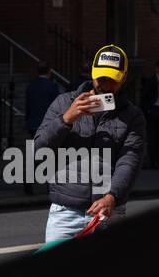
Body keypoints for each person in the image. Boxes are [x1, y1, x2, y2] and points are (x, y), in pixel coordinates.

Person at [33, 44, 146, 243]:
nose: (105, 84)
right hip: (65, 213)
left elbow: (129, 161)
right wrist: (66, 119)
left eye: (113, 80)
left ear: (124, 78)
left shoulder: (133, 116)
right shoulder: (63, 103)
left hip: (108, 211)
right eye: (101, 77)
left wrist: (112, 196)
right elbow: (39, 148)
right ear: (92, 73)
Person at [24, 63, 61, 195]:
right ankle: (49, 185)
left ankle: (28, 183)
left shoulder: (31, 86)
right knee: (50, 156)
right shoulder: (52, 86)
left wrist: (28, 121)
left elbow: (28, 106)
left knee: (34, 155)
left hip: (34, 124)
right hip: (49, 125)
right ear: (49, 71)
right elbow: (57, 108)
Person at [138, 59, 159, 170]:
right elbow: (144, 96)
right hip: (153, 110)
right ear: (156, 69)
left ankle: (158, 161)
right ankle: (153, 162)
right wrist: (148, 110)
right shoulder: (151, 80)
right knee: (152, 138)